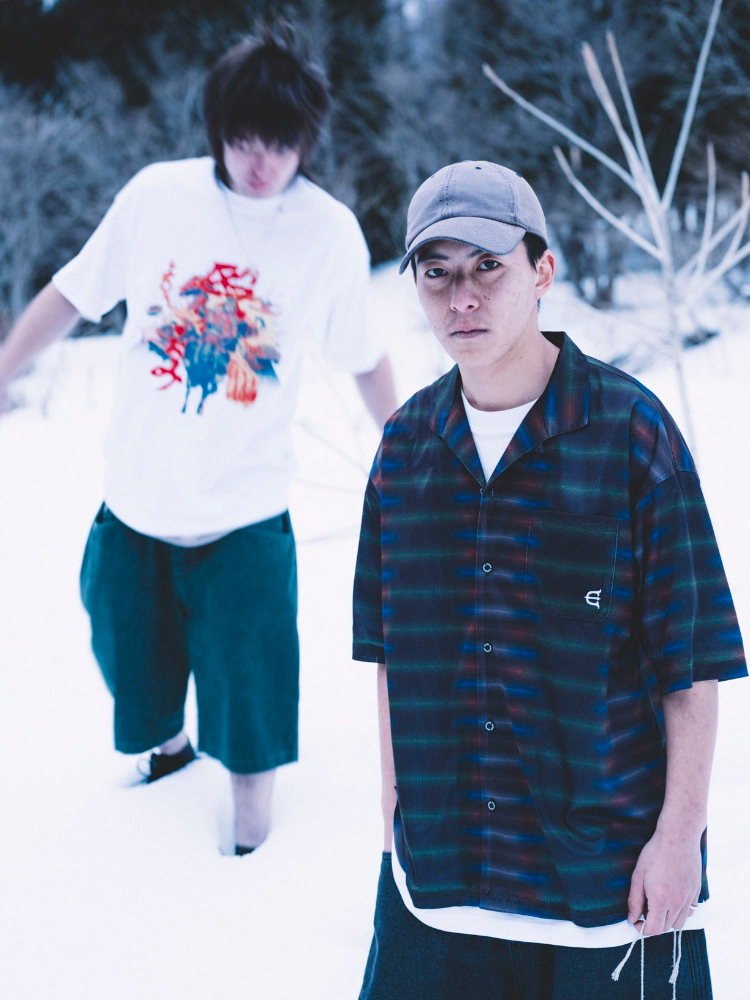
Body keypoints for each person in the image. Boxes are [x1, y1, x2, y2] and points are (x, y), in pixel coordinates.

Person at [352, 160, 746, 998]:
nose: (462, 297)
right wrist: (393, 823)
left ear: (542, 271)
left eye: (487, 266)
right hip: (443, 887)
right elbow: (388, 654)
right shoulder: (404, 448)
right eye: (437, 272)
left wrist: (680, 839)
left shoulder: (631, 432)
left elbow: (690, 664)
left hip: (611, 890)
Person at [0, 26, 397, 856]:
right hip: (136, 504)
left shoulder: (327, 233)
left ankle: (249, 854)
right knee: (130, 668)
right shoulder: (158, 197)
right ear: (218, 129)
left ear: (304, 142)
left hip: (244, 516)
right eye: (244, 140)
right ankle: (169, 752)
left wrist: (400, 449)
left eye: (279, 145)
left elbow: (363, 355)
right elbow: (72, 293)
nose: (261, 163)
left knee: (252, 699)